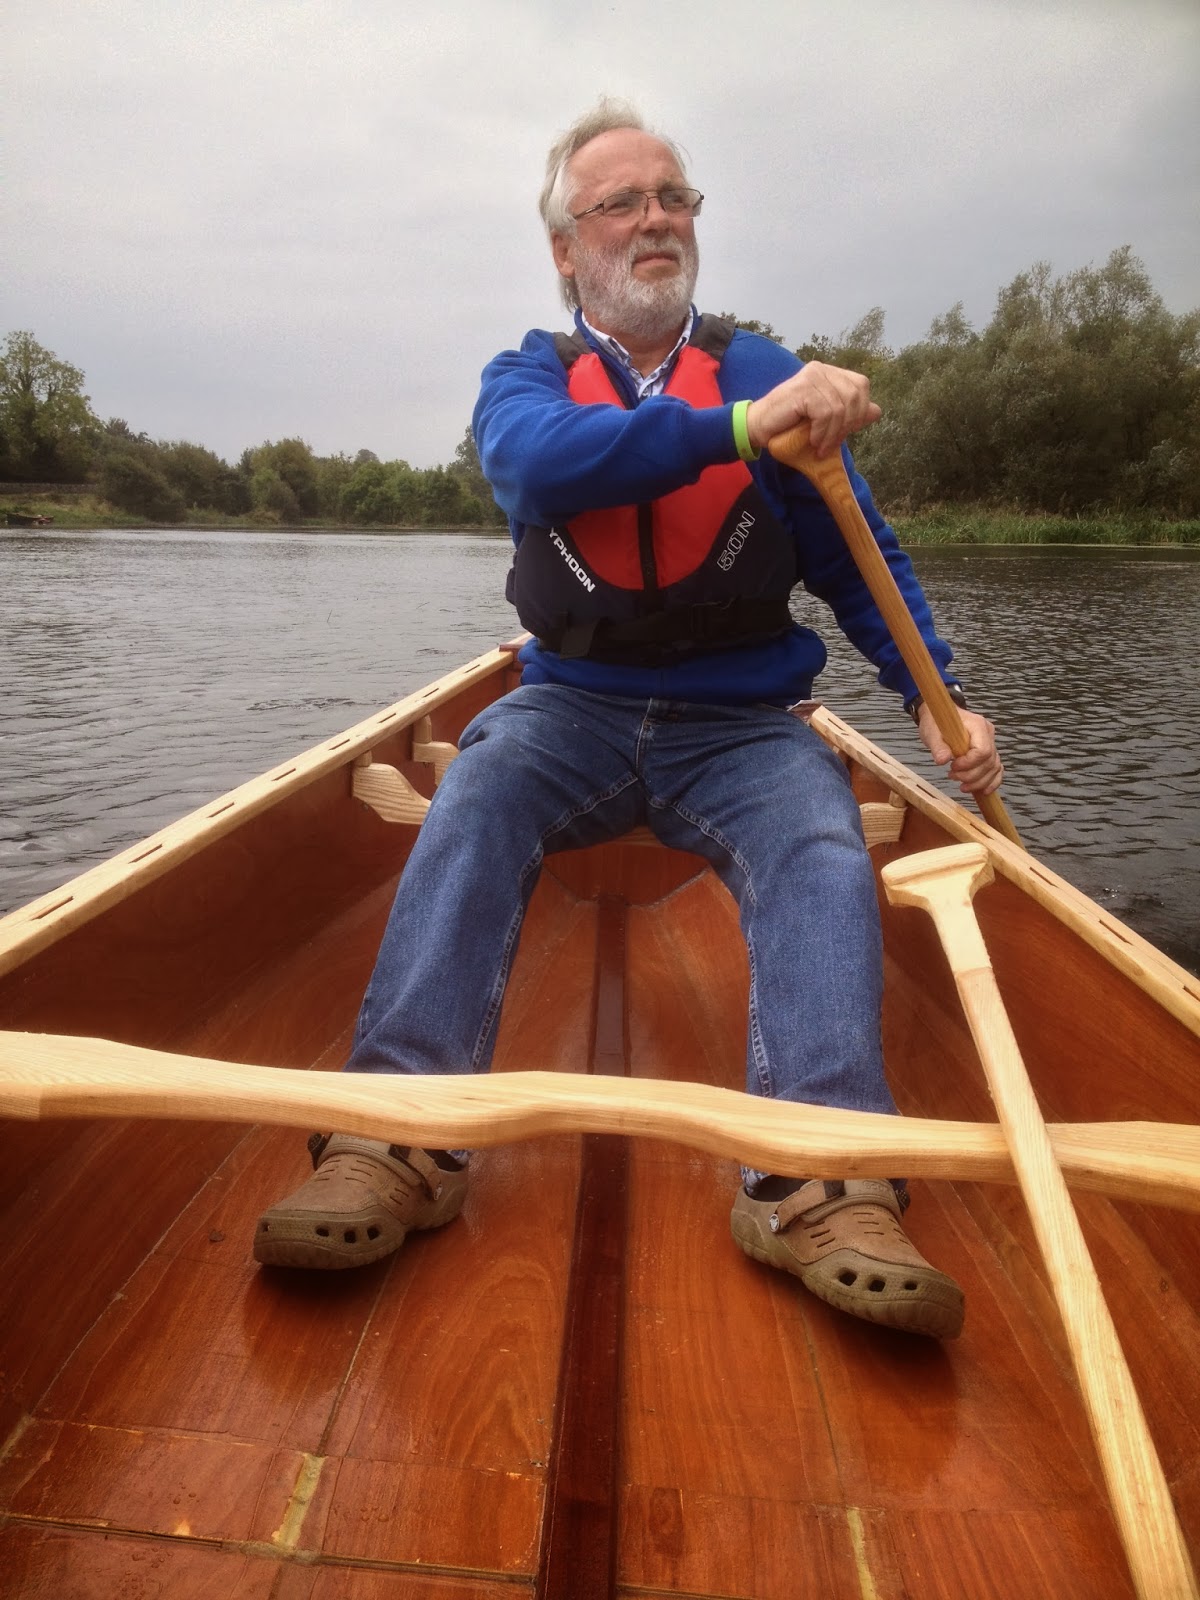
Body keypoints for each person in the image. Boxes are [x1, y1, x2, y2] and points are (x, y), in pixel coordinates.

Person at [254, 100, 1003, 1340]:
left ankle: (815, 1175)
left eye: (675, 198)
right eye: (622, 203)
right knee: (477, 793)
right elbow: (549, 467)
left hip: (744, 721)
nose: (656, 219)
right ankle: (401, 1135)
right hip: (570, 708)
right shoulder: (526, 382)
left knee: (821, 839)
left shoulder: (765, 366)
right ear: (566, 249)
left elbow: (859, 552)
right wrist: (740, 428)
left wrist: (947, 692)